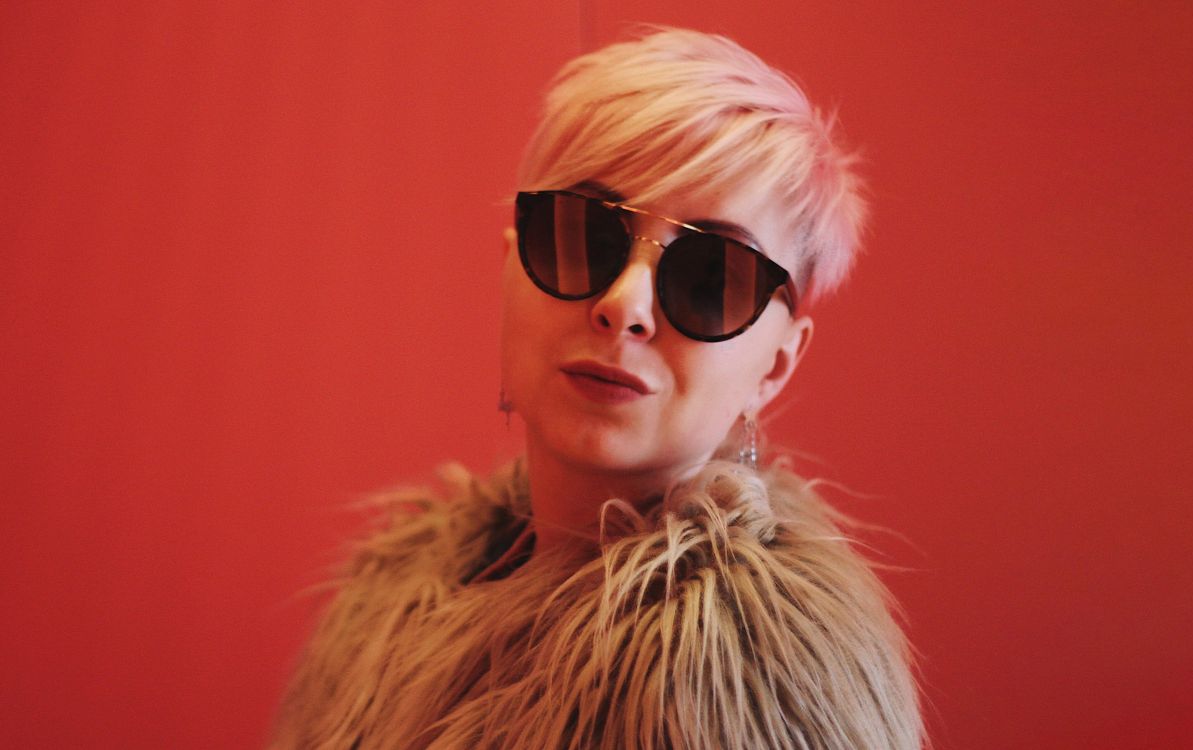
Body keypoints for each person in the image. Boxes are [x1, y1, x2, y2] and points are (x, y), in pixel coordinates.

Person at [271, 27, 923, 750]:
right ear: (511, 269)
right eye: (584, 235)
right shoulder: (389, 604)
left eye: (711, 275)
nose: (625, 305)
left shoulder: (744, 694)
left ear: (775, 365)